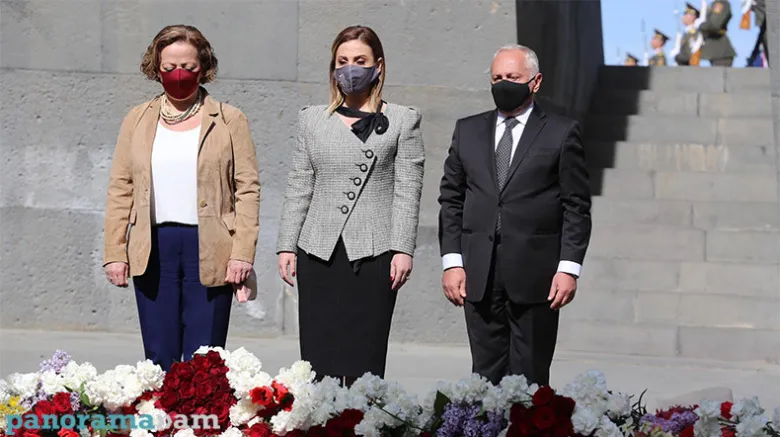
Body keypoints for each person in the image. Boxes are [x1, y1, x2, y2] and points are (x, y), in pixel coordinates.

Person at [103, 25, 261, 371]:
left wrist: (242, 253)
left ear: (203, 68)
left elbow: (247, 189)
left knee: (205, 359)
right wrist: (115, 251)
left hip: (211, 246)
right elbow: (120, 187)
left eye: (188, 67)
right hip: (153, 246)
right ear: (156, 67)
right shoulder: (137, 119)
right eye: (169, 66)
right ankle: (161, 409)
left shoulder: (230, 120)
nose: (178, 74)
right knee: (159, 355)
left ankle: (201, 410)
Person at [276, 25, 425, 387]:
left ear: (378, 66)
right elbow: (299, 183)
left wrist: (403, 249)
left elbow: (408, 188)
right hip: (317, 250)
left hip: (375, 252)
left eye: (360, 60)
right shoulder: (312, 119)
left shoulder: (402, 119)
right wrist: (286, 245)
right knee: (319, 360)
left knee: (365, 361)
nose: (350, 68)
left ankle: (363, 417)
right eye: (342, 61)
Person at [437, 44, 591, 386]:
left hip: (536, 276)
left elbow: (576, 205)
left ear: (535, 82)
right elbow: (451, 198)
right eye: (497, 78)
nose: (503, 84)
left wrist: (568, 268)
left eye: (512, 77)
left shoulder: (561, 132)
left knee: (530, 379)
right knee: (484, 380)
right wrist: (452, 262)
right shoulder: (467, 131)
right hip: (479, 273)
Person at [699, 0, 737, 66]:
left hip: (720, 51)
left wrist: (700, 26)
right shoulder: (713, 4)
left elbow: (714, 24)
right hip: (713, 49)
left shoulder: (721, 3)